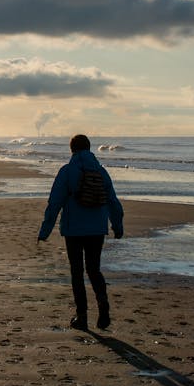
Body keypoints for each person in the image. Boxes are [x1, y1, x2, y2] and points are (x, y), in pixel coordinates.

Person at [37, 134, 124, 331]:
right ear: (89, 148)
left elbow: (54, 204)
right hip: (97, 229)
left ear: (72, 150)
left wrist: (45, 231)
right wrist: (117, 226)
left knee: (77, 272)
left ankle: (82, 316)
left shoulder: (67, 172)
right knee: (94, 269)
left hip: (73, 230)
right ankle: (103, 305)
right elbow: (113, 201)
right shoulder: (101, 172)